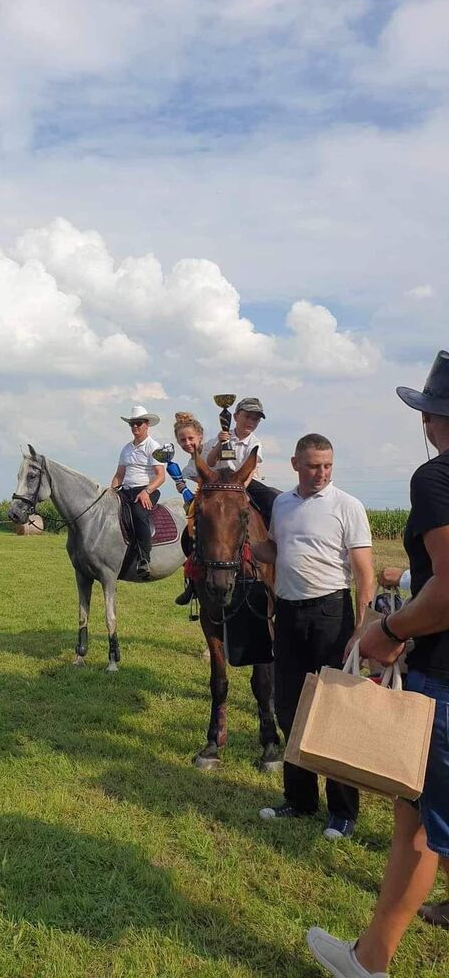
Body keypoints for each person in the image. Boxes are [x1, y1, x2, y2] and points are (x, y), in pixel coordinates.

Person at [307, 350, 449, 976]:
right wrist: (408, 577)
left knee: (415, 825)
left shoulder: (435, 479)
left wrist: (387, 629)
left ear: (428, 421)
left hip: (443, 679)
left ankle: (369, 962)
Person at [253, 433, 375, 840]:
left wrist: (361, 628)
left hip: (330, 615)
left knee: (333, 713)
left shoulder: (347, 506)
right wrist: (244, 543)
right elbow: (277, 550)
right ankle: (300, 800)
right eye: (312, 466)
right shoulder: (283, 505)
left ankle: (342, 811)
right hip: (288, 615)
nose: (321, 473)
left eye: (326, 465)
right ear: (295, 464)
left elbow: (364, 573)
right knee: (289, 707)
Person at [203, 396, 278, 523]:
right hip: (220, 480)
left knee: (272, 499)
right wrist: (220, 443)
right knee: (197, 505)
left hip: (244, 482)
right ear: (236, 416)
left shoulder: (255, 443)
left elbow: (251, 470)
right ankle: (191, 538)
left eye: (255, 419)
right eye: (247, 417)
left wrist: (242, 488)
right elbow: (210, 463)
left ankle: (271, 534)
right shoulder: (221, 436)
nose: (251, 422)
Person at [110, 405, 165, 579]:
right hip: (126, 490)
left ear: (147, 424)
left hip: (146, 490)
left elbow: (161, 476)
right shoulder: (126, 448)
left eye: (138, 423)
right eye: (132, 424)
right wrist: (110, 492)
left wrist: (146, 492)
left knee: (138, 514)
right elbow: (119, 475)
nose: (135, 427)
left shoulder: (154, 447)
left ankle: (144, 559)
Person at [171, 411, 204, 605]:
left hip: (226, 496)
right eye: (182, 440)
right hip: (205, 501)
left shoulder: (211, 449)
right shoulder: (188, 468)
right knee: (189, 536)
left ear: (200, 436)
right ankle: (192, 581)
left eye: (190, 438)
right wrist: (183, 488)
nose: (187, 443)